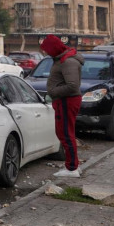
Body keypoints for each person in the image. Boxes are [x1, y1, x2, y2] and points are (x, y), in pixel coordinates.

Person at [40, 34, 84, 177]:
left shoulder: (67, 61)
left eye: (46, 49)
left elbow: (72, 86)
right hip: (64, 100)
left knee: (65, 133)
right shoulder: (61, 59)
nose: (44, 52)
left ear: (53, 48)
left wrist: (53, 92)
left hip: (67, 100)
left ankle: (71, 168)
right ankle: (73, 165)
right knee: (65, 132)